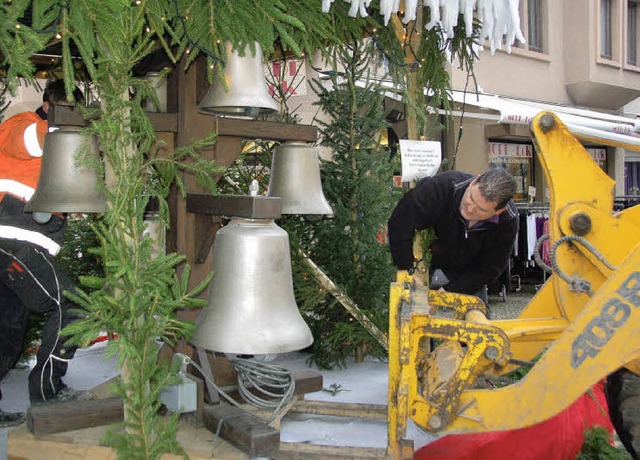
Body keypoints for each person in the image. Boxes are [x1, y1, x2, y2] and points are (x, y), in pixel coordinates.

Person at [0, 80, 87, 426]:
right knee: (72, 306)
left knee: (7, 331)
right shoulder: (20, 125)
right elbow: (28, 142)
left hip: (21, 248)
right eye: (65, 110)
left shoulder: (61, 144)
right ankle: (49, 391)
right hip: (13, 243)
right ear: (49, 106)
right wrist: (65, 124)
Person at [387, 168, 518, 305]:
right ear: (473, 182)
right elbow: (401, 221)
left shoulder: (507, 220)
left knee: (476, 319)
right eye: (471, 198)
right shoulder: (444, 186)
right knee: (413, 316)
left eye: (481, 209)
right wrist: (409, 269)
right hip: (429, 261)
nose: (470, 208)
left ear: (498, 211)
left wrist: (448, 292)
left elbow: (489, 269)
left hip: (469, 274)